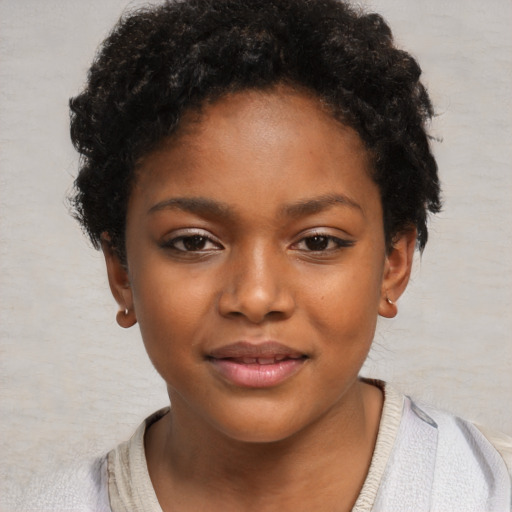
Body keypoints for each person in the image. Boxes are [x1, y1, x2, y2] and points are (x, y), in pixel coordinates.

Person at [17, 0, 511, 510]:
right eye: (193, 241)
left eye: (317, 241)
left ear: (393, 265)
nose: (255, 298)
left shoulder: (489, 490)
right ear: (121, 272)